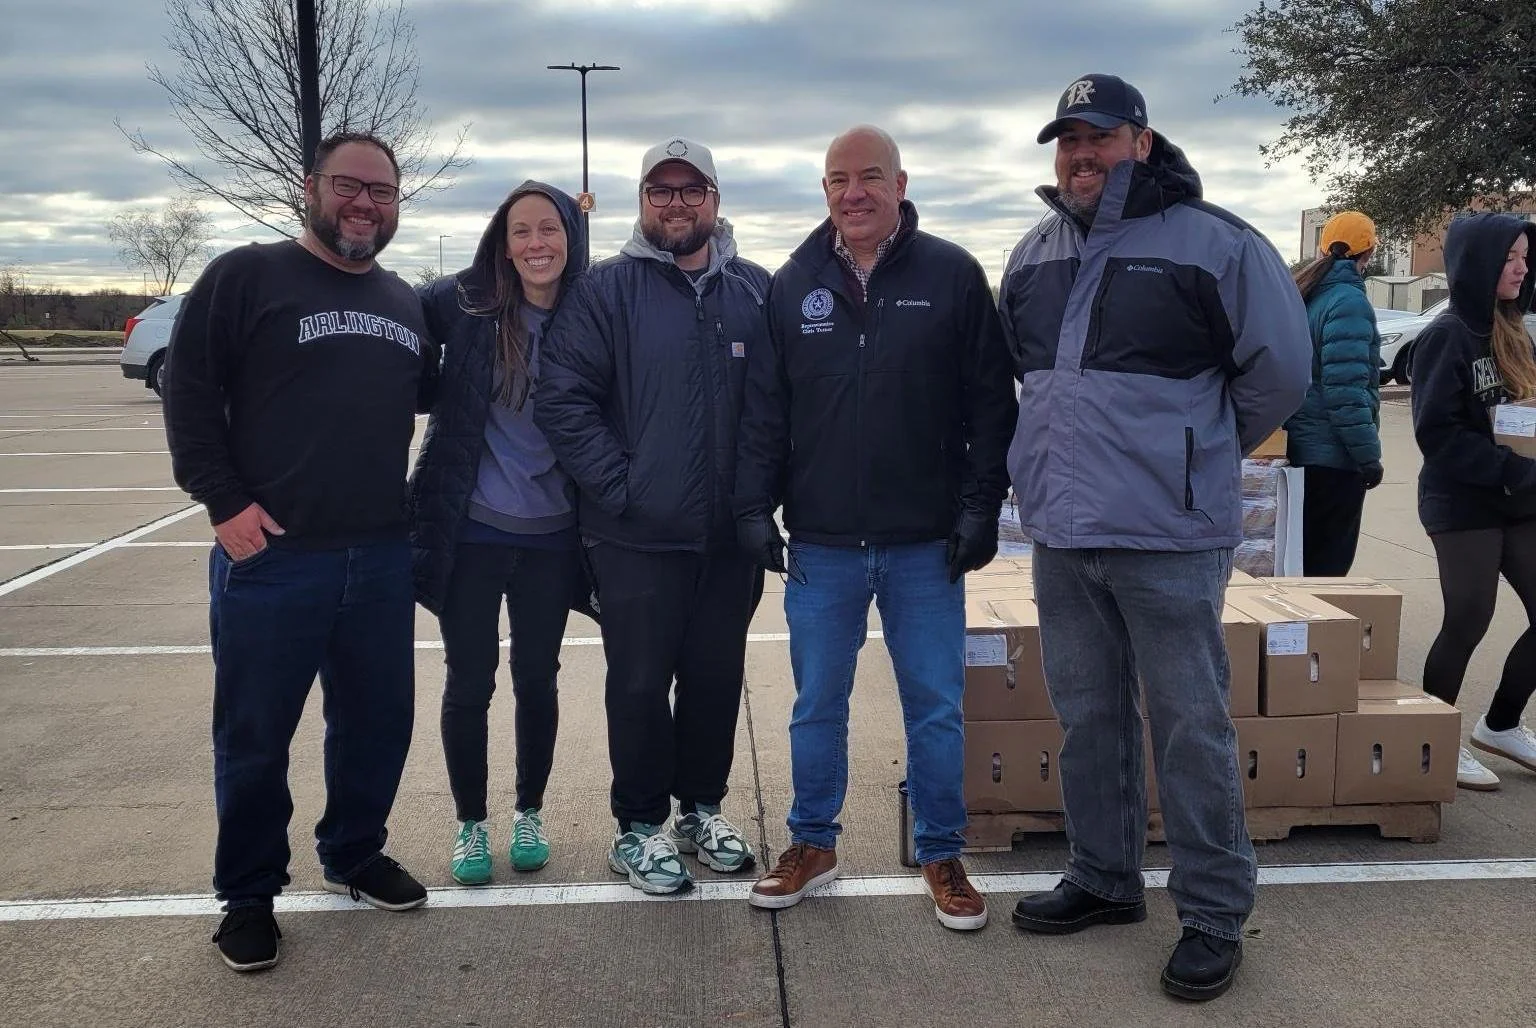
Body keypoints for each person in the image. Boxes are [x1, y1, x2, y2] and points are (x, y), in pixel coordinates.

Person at [999, 75, 1310, 999]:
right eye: (1067, 141)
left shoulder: (1218, 245)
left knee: (1189, 725)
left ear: (1141, 140)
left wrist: (1194, 456)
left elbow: (1279, 373)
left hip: (1168, 537)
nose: (1081, 155)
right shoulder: (1034, 252)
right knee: (1088, 717)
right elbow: (1022, 375)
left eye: (1099, 137)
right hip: (1063, 534)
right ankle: (1103, 876)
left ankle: (1214, 912)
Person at [164, 131, 439, 973]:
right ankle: (248, 895)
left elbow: (435, 399)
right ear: (311, 187)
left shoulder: (402, 301)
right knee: (255, 736)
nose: (366, 204)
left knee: (377, 725)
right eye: (351, 187)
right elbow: (189, 385)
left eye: (383, 193)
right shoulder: (248, 275)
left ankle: (353, 853)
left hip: (379, 555)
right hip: (275, 559)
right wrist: (223, 501)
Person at [734, 125, 1018, 931]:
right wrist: (752, 509)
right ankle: (812, 842)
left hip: (926, 545)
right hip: (821, 544)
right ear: (824, 191)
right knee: (817, 704)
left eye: (868, 178)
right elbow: (765, 412)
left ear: (900, 184)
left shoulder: (954, 276)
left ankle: (939, 849)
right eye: (836, 180)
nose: (852, 193)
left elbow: (990, 407)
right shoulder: (793, 285)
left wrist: (978, 508)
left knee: (934, 705)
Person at [534, 138, 769, 895]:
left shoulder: (756, 291)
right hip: (633, 538)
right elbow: (562, 399)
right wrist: (624, 487)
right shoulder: (605, 291)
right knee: (638, 686)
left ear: (714, 200)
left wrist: (760, 502)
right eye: (660, 190)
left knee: (713, 679)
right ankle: (638, 827)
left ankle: (701, 809)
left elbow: (783, 408)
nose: (676, 203)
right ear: (642, 202)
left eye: (691, 189)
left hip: (728, 541)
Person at [408, 181, 589, 885]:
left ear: (570, 239)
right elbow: (396, 328)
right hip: (473, 531)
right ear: (502, 241)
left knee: (536, 679)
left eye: (550, 229)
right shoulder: (462, 304)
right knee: (469, 680)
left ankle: (529, 813)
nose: (536, 244)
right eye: (522, 231)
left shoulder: (589, 312)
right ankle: (470, 825)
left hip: (553, 535)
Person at [1410, 213, 1536, 791]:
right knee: (1469, 614)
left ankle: (1501, 724)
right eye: (1512, 256)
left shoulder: (1514, 330)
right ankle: (1432, 741)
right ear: (1481, 262)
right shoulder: (1446, 335)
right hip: (1461, 502)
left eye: (1525, 257)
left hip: (1520, 497)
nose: (1522, 266)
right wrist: (1508, 468)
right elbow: (1437, 435)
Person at [1284, 210, 1384, 575]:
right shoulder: (1349, 302)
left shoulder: (1304, 293)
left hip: (1299, 452)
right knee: (1327, 573)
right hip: (1333, 458)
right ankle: (1320, 634)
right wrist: (1367, 457)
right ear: (1368, 253)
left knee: (1298, 566)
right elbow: (1346, 392)